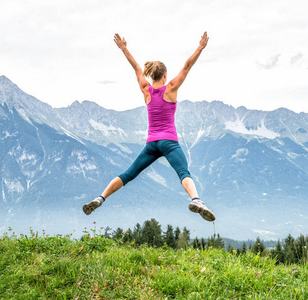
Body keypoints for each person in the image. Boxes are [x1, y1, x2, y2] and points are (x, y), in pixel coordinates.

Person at [82, 32, 215, 222]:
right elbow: (187, 66)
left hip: (152, 143)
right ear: (165, 75)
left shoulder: (146, 90)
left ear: (151, 75)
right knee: (183, 173)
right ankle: (196, 199)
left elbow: (136, 67)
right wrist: (201, 47)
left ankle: (100, 198)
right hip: (169, 141)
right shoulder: (171, 89)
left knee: (128, 174)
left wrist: (124, 48)